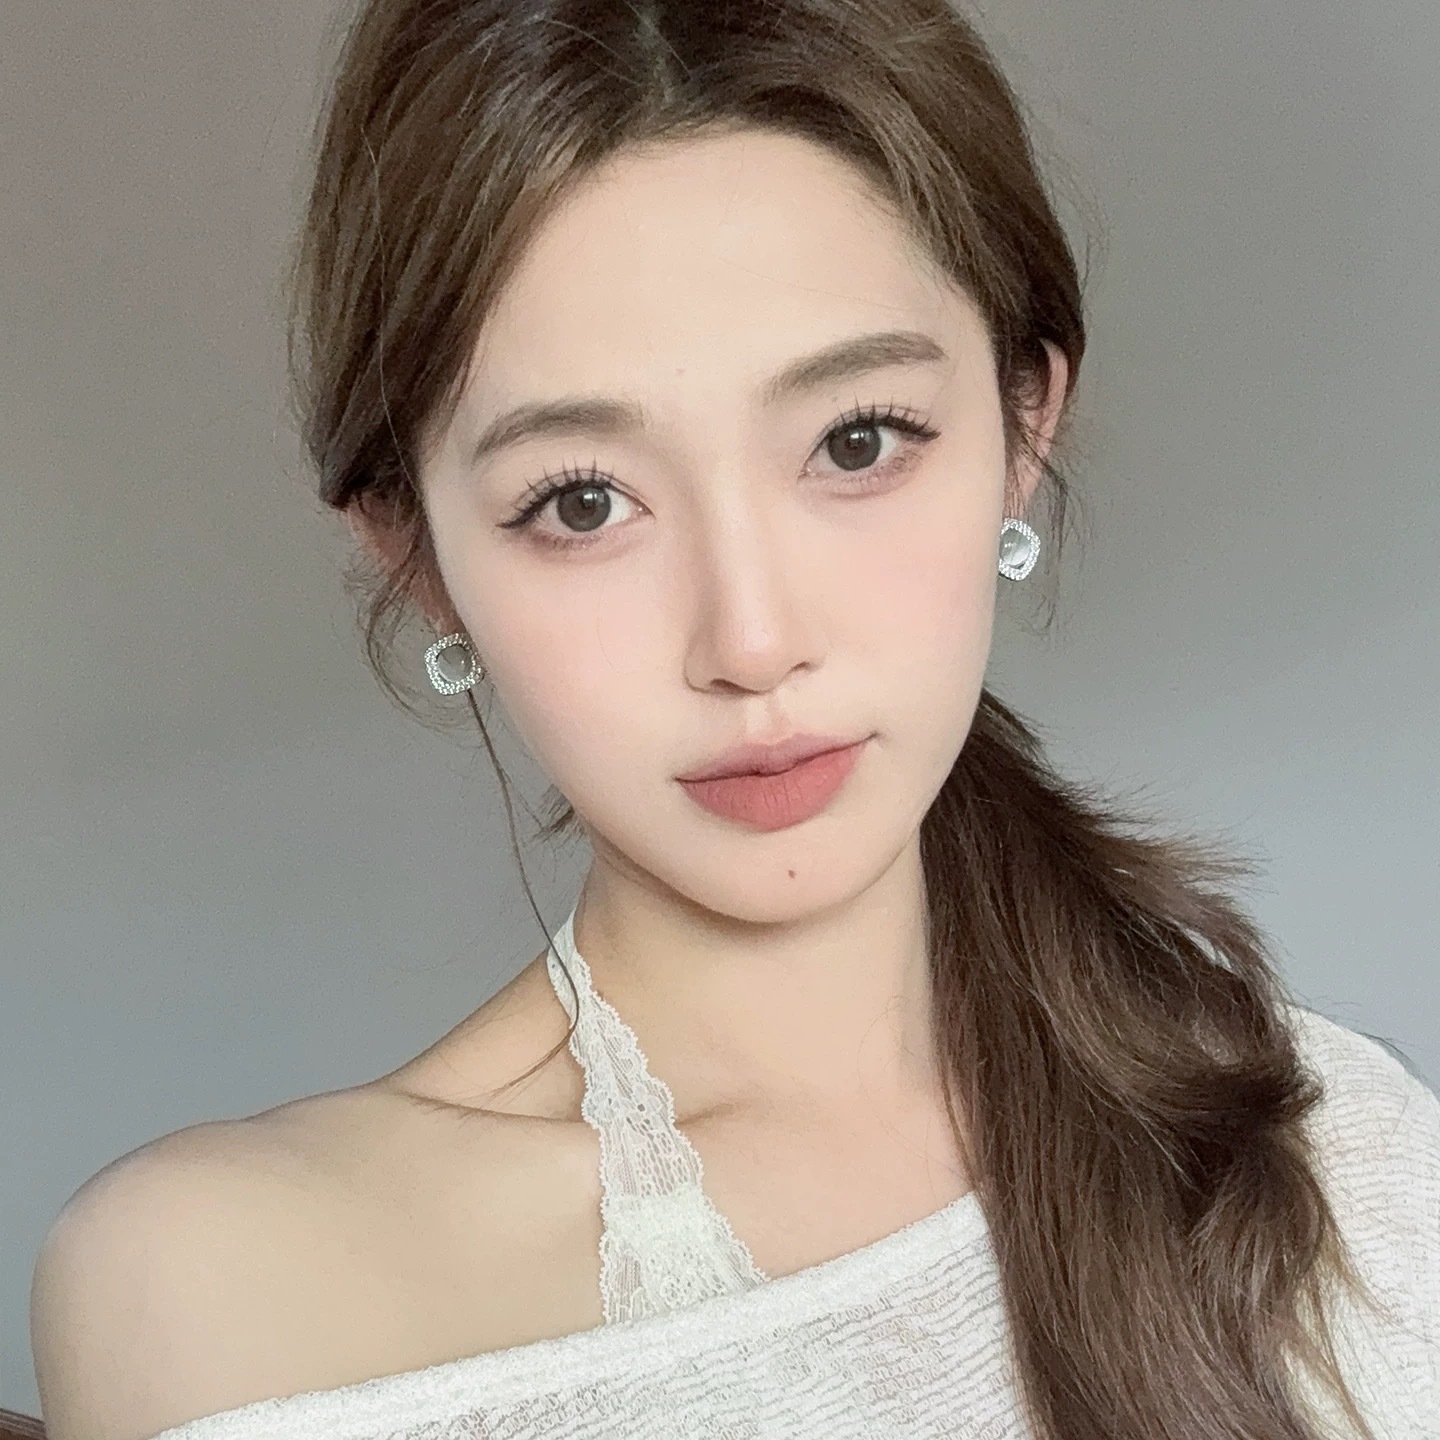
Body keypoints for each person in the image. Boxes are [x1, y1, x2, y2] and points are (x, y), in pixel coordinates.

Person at [30, 1, 1439, 1437]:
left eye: (856, 440)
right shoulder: (230, 1297)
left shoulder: (1341, 1148)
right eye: (584, 502)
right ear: (419, 557)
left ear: (1025, 427)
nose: (751, 642)